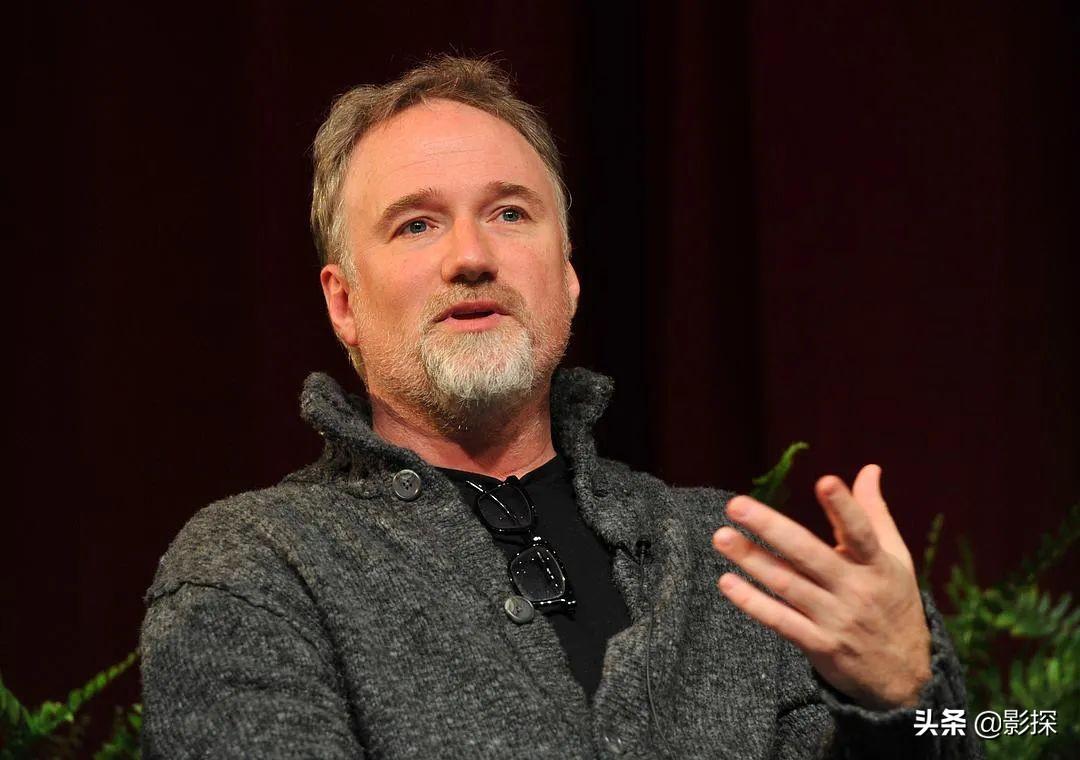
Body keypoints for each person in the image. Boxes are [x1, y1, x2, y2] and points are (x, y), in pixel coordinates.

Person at [139, 55, 982, 759]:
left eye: (509, 213)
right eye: (417, 225)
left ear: (568, 276)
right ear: (343, 302)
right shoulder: (256, 568)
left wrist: (906, 698)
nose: (471, 256)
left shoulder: (738, 561)